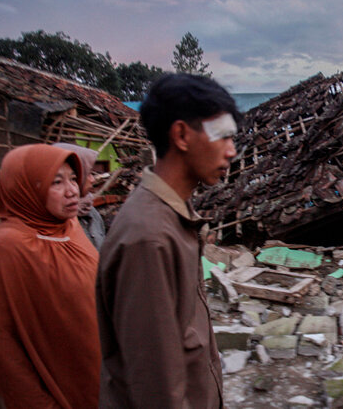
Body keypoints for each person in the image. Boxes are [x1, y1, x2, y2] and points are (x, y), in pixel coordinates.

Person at [96, 73, 238, 408]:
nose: (232, 151)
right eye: (222, 136)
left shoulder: (174, 216)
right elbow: (155, 383)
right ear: (181, 135)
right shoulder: (149, 238)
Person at [0, 144, 100, 408]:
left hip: (92, 379)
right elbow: (1, 345)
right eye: (57, 182)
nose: (73, 190)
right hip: (51, 391)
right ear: (27, 187)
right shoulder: (5, 250)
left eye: (74, 179)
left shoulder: (70, 228)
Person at [53, 142, 106, 250]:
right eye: (88, 173)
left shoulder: (91, 212)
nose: (93, 179)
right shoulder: (53, 221)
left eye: (72, 178)